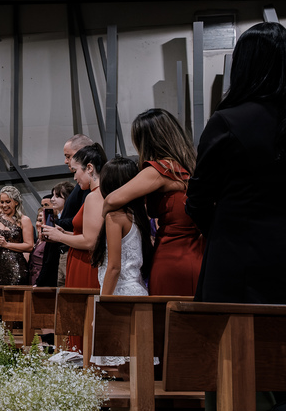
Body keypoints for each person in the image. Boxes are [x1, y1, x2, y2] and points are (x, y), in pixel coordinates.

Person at [187, 22, 286, 305]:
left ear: (242, 66)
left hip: (234, 260)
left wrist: (221, 231)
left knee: (234, 346)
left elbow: (198, 199)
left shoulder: (226, 121)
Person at [103, 108, 203, 296]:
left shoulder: (160, 169)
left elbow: (111, 199)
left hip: (172, 258)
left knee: (166, 321)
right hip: (198, 255)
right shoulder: (191, 167)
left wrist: (104, 225)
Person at [41, 143, 107, 291]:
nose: (75, 177)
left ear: (89, 168)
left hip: (86, 263)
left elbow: (90, 242)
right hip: (81, 260)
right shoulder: (97, 194)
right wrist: (65, 233)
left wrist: (59, 236)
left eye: (75, 171)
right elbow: (92, 235)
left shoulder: (94, 196)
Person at [92, 157, 151, 298]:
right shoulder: (137, 214)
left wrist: (102, 303)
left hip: (120, 294)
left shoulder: (114, 217)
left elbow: (114, 267)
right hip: (138, 289)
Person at [37, 136, 92, 287]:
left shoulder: (91, 192)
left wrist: (58, 228)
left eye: (68, 156)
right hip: (71, 248)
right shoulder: (81, 187)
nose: (65, 161)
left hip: (83, 253)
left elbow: (85, 230)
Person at [0, 186, 34, 285]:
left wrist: (6, 245)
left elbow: (29, 246)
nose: (4, 205)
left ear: (16, 202)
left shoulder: (24, 220)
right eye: (2, 202)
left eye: (8, 201)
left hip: (15, 269)